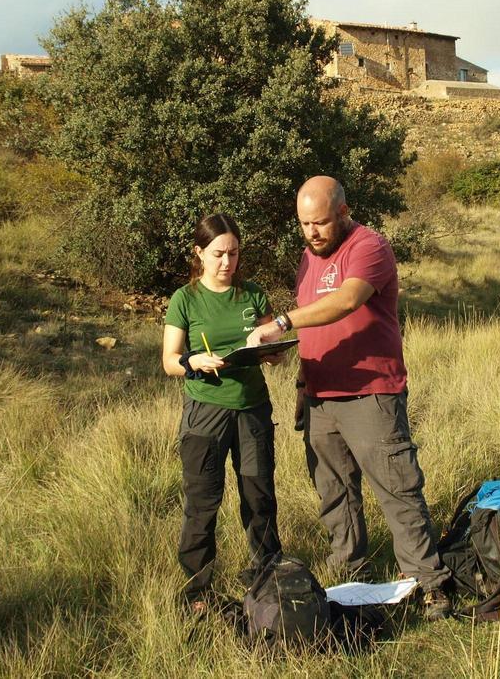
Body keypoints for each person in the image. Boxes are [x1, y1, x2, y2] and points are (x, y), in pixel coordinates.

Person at [246, 176, 454, 620]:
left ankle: (428, 582)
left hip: (371, 394)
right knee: (334, 494)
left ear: (343, 212)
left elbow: (345, 302)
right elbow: (317, 330)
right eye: (304, 224)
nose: (312, 233)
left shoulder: (369, 247)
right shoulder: (307, 259)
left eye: (320, 223)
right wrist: (300, 380)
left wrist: (282, 322)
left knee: (397, 488)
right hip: (321, 396)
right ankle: (349, 575)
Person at [162, 213, 282, 612]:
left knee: (259, 495)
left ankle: (268, 577)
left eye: (233, 253)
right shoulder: (186, 299)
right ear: (199, 253)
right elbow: (169, 360)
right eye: (217, 254)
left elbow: (272, 346)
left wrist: (272, 352)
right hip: (206, 413)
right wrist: (195, 361)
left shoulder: (253, 295)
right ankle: (198, 590)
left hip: (252, 410)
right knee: (202, 501)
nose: (227, 262)